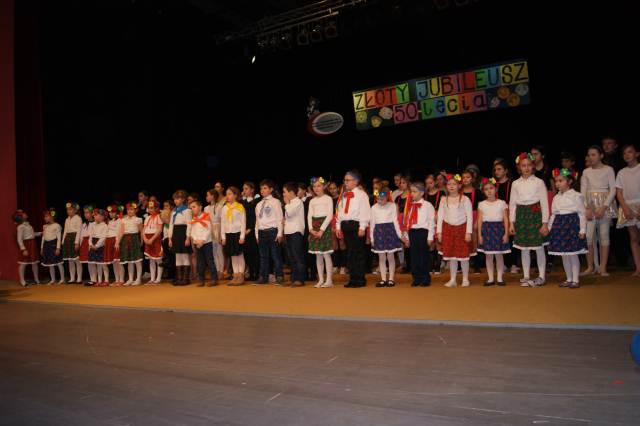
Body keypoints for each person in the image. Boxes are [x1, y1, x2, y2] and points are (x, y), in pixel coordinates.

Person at [509, 152, 550, 287]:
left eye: (528, 165)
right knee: (524, 248)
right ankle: (526, 275)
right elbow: (512, 204)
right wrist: (511, 222)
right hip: (521, 216)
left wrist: (545, 223)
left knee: (539, 247)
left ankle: (541, 276)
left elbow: (544, 203)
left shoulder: (539, 182)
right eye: (523, 165)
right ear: (519, 167)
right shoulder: (515, 184)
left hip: (535, 215)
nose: (526, 168)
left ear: (533, 166)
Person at [548, 168, 587, 288]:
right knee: (564, 255)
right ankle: (569, 278)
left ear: (569, 181)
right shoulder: (556, 197)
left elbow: (582, 214)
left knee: (573, 254)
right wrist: (549, 228)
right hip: (559, 227)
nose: (557, 183)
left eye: (561, 180)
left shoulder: (576, 196)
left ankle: (575, 280)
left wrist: (582, 229)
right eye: (556, 181)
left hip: (571, 226)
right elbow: (553, 214)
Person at [581, 145, 616, 276]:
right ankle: (590, 267)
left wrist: (604, 206)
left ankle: (603, 267)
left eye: (594, 154)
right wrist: (587, 208)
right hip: (590, 206)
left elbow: (613, 189)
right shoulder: (586, 172)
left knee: (604, 235)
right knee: (588, 237)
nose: (591, 157)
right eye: (589, 155)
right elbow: (583, 192)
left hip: (604, 205)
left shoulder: (609, 170)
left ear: (601, 155)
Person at [336, 170, 371, 288]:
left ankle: (360, 279)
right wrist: (338, 226)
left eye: (348, 180)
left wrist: (362, 226)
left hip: (356, 225)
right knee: (350, 253)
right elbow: (340, 211)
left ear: (355, 181)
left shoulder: (361, 195)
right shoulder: (344, 195)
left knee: (358, 253)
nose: (345, 182)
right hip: (345, 225)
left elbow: (365, 211)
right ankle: (352, 278)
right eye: (344, 180)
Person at [437, 174, 473, 287]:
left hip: (462, 230)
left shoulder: (465, 199)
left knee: (463, 256)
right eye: (449, 184)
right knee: (452, 256)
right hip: (448, 230)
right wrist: (439, 232)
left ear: (459, 185)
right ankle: (453, 279)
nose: (451, 186)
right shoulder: (443, 200)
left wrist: (468, 232)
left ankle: (465, 279)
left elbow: (470, 217)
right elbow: (440, 217)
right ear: (446, 186)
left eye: (454, 184)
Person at [477, 178, 511, 286]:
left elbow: (506, 219)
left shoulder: (502, 203)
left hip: (498, 230)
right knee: (488, 256)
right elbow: (479, 220)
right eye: (486, 189)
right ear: (483, 191)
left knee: (499, 255)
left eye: (491, 188)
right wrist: (479, 235)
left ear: (496, 189)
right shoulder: (481, 204)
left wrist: (506, 234)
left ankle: (500, 278)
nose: (489, 191)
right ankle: (491, 278)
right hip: (486, 230)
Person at [403, 183, 436, 287]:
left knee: (423, 256)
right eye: (411, 191)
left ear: (421, 193)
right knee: (414, 257)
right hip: (412, 232)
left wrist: (430, 237)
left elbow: (431, 222)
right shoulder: (409, 205)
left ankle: (425, 278)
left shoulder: (428, 205)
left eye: (414, 191)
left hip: (423, 232)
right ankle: (416, 278)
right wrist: (406, 237)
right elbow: (406, 222)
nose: (412, 194)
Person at [370, 188, 403, 287]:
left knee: (390, 256)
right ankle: (383, 279)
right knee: (381, 257)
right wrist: (372, 238)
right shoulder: (374, 207)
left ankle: (391, 279)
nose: (380, 201)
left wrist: (400, 235)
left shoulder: (392, 206)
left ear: (387, 198)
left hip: (390, 232)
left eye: (382, 199)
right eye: (378, 199)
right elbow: (372, 223)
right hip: (379, 233)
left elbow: (395, 221)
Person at [615, 144, 640, 277]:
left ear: (637, 153)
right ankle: (638, 268)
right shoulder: (621, 172)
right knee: (634, 237)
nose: (627, 155)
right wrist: (625, 208)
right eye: (624, 153)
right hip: (628, 206)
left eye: (630, 152)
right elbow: (619, 192)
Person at [308, 177, 334, 288]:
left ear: (323, 186)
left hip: (325, 227)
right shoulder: (312, 201)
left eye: (319, 186)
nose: (316, 188)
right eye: (314, 186)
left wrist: (322, 230)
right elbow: (309, 216)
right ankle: (321, 279)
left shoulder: (328, 199)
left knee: (326, 254)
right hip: (314, 228)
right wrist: (311, 229)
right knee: (318, 255)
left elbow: (330, 215)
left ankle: (329, 280)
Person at [189, 199, 218, 287]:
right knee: (200, 262)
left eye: (194, 207)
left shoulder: (206, 216)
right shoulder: (194, 219)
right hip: (197, 243)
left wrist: (202, 240)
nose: (192, 209)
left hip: (206, 243)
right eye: (191, 208)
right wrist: (195, 240)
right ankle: (201, 280)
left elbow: (208, 230)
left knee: (210, 261)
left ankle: (214, 279)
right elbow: (192, 231)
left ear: (200, 207)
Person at [283, 182, 307, 287]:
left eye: (285, 192)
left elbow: (290, 213)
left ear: (291, 192)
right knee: (291, 257)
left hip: (296, 232)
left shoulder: (298, 202)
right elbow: (288, 216)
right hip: (288, 232)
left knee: (298, 256)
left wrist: (287, 203)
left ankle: (300, 279)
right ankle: (293, 278)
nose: (283, 194)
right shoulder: (290, 203)